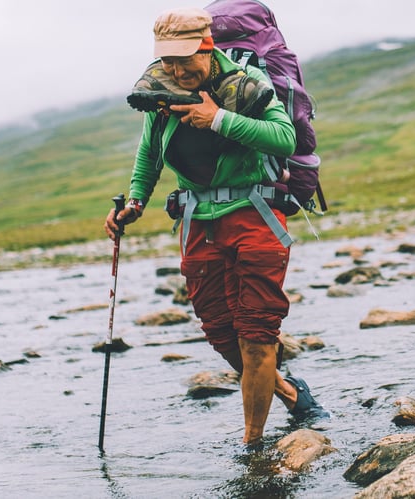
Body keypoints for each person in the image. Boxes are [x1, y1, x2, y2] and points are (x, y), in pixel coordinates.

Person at [104, 7, 328, 446]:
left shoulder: (247, 86)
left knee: (256, 334)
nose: (174, 69)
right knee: (220, 332)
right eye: (166, 59)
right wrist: (134, 201)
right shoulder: (161, 89)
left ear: (207, 46)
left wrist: (218, 119)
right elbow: (149, 152)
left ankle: (252, 447)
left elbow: (285, 139)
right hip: (197, 223)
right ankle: (287, 391)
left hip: (254, 214)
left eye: (183, 59)